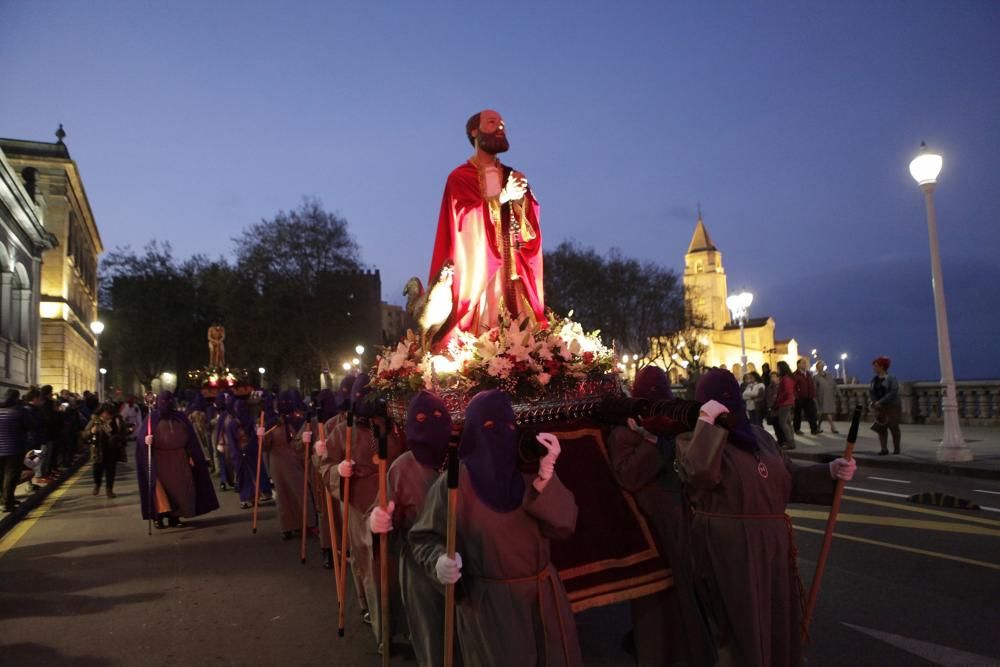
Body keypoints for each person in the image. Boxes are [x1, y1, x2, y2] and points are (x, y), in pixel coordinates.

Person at [675, 369, 857, 666]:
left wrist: (829, 472)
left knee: (775, 621)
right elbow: (699, 473)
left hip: (772, 549)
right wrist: (708, 425)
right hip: (729, 552)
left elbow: (788, 477)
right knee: (740, 628)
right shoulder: (690, 437)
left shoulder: (759, 436)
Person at [410, 390, 582, 666]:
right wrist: (439, 561)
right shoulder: (454, 482)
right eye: (489, 427)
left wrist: (546, 481)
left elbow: (565, 526)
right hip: (490, 608)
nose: (500, 435)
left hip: (545, 600)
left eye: (508, 426)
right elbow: (424, 538)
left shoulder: (529, 472)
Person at [607, 367, 711, 666]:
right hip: (650, 527)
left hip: (681, 523)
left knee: (687, 595)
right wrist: (651, 443)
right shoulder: (624, 433)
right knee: (655, 607)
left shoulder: (672, 426)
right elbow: (627, 476)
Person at [427, 109, 544, 348]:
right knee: (484, 341)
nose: (500, 127)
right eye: (492, 123)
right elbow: (463, 221)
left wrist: (522, 200)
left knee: (524, 341)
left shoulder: (512, 175)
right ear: (474, 132)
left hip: (513, 273)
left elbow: (528, 228)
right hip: (481, 278)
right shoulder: (459, 177)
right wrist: (501, 197)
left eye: (502, 123)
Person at [368, 391, 452, 666]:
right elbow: (383, 507)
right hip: (419, 569)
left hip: (459, 560)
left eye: (439, 417)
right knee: (431, 638)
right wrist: (377, 520)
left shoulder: (457, 456)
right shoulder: (401, 468)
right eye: (420, 419)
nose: (431, 424)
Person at [329, 373, 405, 648]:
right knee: (370, 566)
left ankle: (405, 624)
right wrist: (338, 470)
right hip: (359, 505)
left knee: (397, 565)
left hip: (392, 502)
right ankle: (382, 630)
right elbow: (324, 464)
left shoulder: (393, 428)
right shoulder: (342, 431)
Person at [136, 391, 220, 528]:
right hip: (160, 459)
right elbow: (141, 437)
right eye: (163, 401)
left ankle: (175, 517)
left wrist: (193, 455)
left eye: (168, 401)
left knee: (181, 489)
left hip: (180, 459)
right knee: (161, 490)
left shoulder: (180, 417)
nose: (166, 404)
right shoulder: (152, 418)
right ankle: (160, 517)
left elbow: (191, 439)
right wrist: (146, 440)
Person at [260, 390, 314, 540]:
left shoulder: (300, 419)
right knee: (283, 495)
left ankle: (307, 523)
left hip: (296, 461)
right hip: (279, 462)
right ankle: (288, 525)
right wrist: (262, 436)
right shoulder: (273, 423)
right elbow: (265, 446)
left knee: (301, 493)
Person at [228, 399, 273, 510]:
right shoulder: (234, 424)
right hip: (240, 453)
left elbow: (253, 437)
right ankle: (246, 498)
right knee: (244, 475)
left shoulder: (250, 422)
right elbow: (232, 440)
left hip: (250, 451)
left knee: (255, 473)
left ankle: (254, 497)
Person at [85, 403, 127, 498]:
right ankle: (97, 484)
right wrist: (91, 431)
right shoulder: (95, 421)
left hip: (112, 450)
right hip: (98, 450)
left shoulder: (117, 420)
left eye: (108, 414)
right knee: (97, 469)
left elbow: (124, 432)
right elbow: (84, 434)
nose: (106, 416)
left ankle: (109, 489)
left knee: (111, 471)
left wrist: (118, 436)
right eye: (104, 413)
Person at [0, 389, 29, 512]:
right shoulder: (19, 412)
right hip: (14, 448)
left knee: (1, 475)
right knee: (11, 476)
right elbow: (29, 426)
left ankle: (5, 499)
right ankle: (7, 502)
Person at [869, 356, 901, 455]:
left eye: (875, 366)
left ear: (882, 367)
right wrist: (874, 402)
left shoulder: (891, 378)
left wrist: (881, 401)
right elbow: (871, 392)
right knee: (881, 428)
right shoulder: (874, 379)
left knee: (893, 427)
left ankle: (896, 448)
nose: (874, 368)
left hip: (891, 406)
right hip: (879, 407)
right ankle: (884, 449)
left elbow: (893, 392)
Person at [792, 358, 820, 435]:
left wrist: (813, 394)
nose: (805, 365)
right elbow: (793, 387)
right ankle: (797, 429)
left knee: (812, 413)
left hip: (809, 397)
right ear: (798, 365)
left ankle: (814, 429)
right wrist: (796, 396)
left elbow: (811, 385)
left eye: (806, 363)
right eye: (803, 363)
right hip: (799, 398)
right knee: (798, 414)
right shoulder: (795, 374)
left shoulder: (808, 374)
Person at [813, 361, 840, 435]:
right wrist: (815, 398)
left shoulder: (829, 375)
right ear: (817, 368)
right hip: (821, 397)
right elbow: (814, 389)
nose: (821, 367)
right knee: (827, 412)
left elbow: (834, 385)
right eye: (819, 366)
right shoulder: (815, 377)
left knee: (823, 413)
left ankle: (818, 426)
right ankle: (833, 427)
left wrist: (838, 393)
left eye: (822, 366)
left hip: (830, 396)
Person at [774, 361, 797, 449]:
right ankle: (791, 441)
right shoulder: (789, 377)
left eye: (778, 368)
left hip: (785, 403)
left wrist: (779, 400)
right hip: (789, 402)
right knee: (788, 423)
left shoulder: (785, 378)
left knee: (783, 423)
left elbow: (787, 391)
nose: (777, 370)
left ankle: (790, 442)